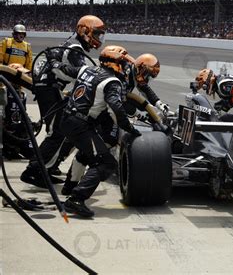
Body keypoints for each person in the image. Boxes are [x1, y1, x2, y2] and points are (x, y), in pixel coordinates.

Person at [52, 45, 141, 217]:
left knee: (87, 154)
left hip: (67, 119)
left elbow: (65, 69)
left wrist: (53, 61)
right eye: (123, 62)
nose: (125, 66)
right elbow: (115, 107)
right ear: (115, 63)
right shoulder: (112, 82)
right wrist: (129, 127)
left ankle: (69, 187)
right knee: (106, 163)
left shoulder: (86, 69)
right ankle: (76, 199)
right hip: (81, 125)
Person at [20, 15, 105, 188]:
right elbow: (78, 73)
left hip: (51, 88)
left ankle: (44, 170)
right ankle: (33, 171)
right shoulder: (75, 47)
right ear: (84, 31)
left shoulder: (73, 44)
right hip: (49, 88)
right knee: (56, 132)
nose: (98, 38)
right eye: (96, 33)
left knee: (59, 130)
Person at [61, 52, 163, 195]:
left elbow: (141, 91)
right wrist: (132, 122)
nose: (147, 79)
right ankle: (75, 185)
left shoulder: (128, 74)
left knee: (90, 149)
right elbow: (119, 105)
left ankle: (71, 185)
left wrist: (158, 103)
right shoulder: (116, 78)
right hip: (99, 114)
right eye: (147, 75)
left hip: (88, 115)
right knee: (102, 150)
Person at [0, 25, 33, 160]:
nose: (19, 36)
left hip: (19, 84)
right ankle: (8, 145)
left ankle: (15, 146)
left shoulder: (27, 47)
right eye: (17, 34)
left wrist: (27, 79)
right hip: (5, 80)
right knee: (7, 113)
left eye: (22, 34)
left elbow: (29, 64)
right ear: (13, 34)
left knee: (18, 114)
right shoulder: (6, 42)